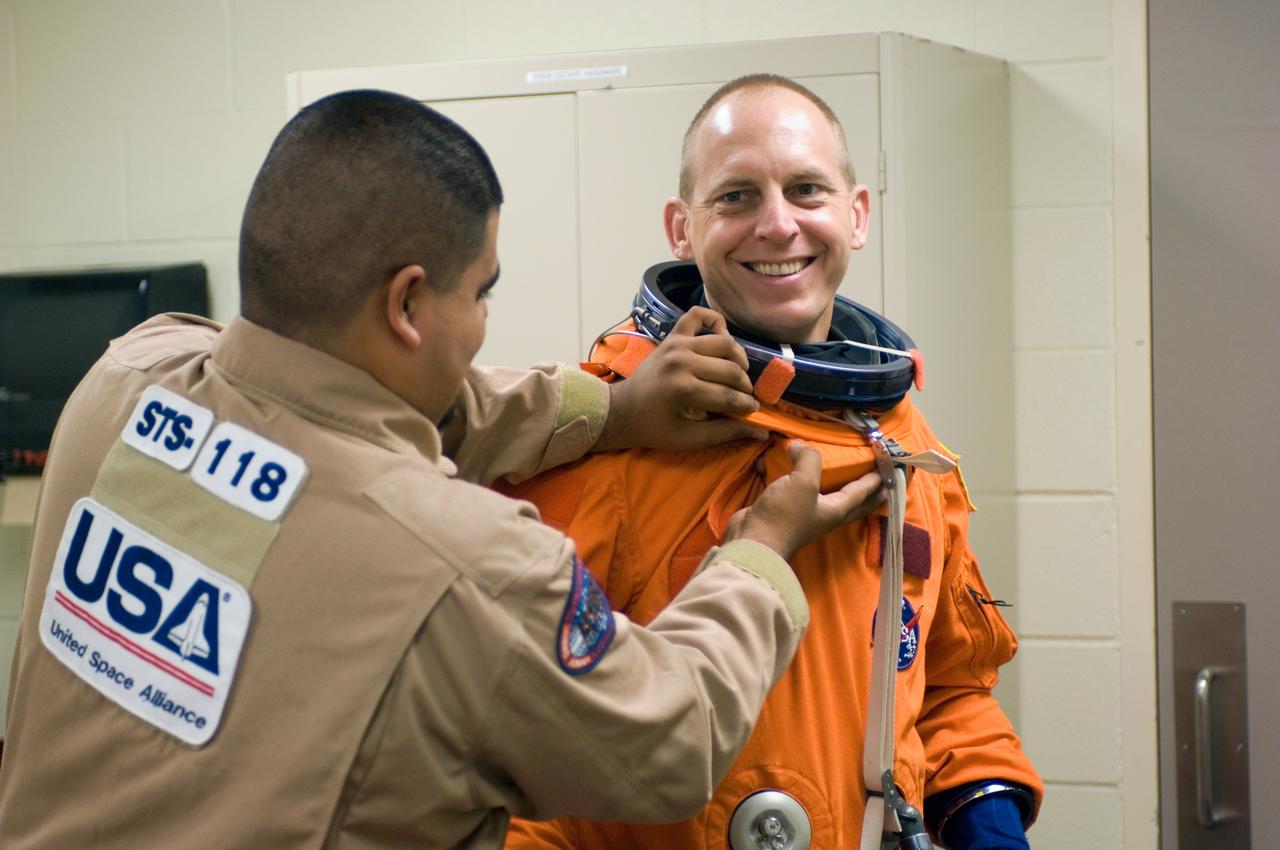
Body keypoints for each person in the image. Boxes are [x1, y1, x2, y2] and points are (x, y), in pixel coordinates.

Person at [0, 89, 880, 850]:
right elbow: (673, 737)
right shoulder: (469, 568)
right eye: (482, 291)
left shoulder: (125, 377)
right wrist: (763, 547)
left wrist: (613, 409)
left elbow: (366, 411)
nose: (483, 322)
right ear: (409, 303)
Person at [502, 75, 1043, 850]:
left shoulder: (903, 447)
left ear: (856, 216)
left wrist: (987, 822)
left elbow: (946, 688)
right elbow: (518, 742)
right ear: (681, 228)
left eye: (807, 189)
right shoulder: (607, 444)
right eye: (736, 197)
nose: (778, 224)